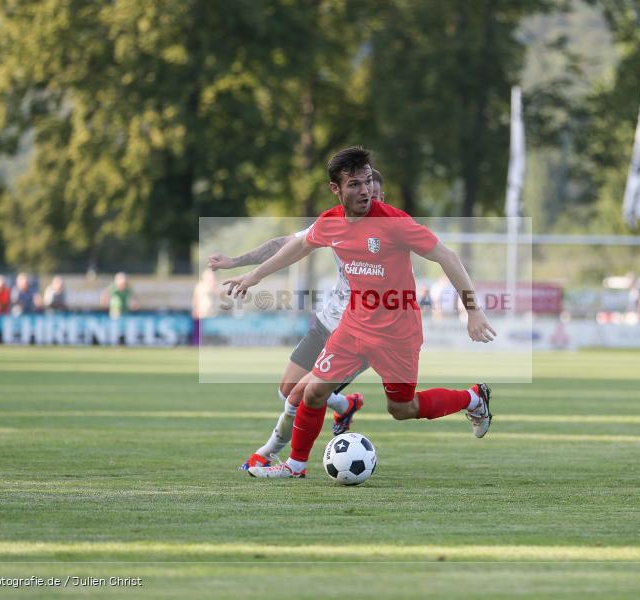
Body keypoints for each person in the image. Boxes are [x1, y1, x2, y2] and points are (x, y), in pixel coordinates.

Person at [225, 146, 495, 479]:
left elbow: (447, 257)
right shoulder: (331, 223)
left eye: (367, 181)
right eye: (354, 184)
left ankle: (472, 398)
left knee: (401, 409)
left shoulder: (394, 223)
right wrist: (254, 275)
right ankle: (294, 466)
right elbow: (298, 245)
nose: (365, 190)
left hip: (398, 333)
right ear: (335, 189)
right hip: (352, 327)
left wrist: (473, 310)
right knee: (313, 391)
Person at [207, 170, 388, 471]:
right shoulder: (338, 223)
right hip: (327, 322)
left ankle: (268, 454)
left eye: (375, 195)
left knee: (297, 396)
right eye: (360, 191)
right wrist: (236, 262)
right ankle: (345, 405)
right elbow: (285, 244)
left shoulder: (390, 234)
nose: (368, 198)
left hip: (360, 333)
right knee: (286, 388)